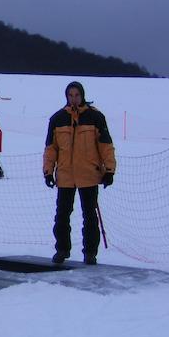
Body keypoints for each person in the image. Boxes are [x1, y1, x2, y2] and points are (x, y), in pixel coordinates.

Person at [43, 81, 116, 265]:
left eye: (77, 95)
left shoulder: (95, 117)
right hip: (66, 176)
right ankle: (62, 249)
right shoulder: (57, 119)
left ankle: (90, 252)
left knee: (89, 216)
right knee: (62, 215)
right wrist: (48, 171)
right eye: (70, 95)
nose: (74, 98)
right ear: (66, 97)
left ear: (82, 96)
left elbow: (105, 146)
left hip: (88, 175)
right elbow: (51, 149)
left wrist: (109, 170)